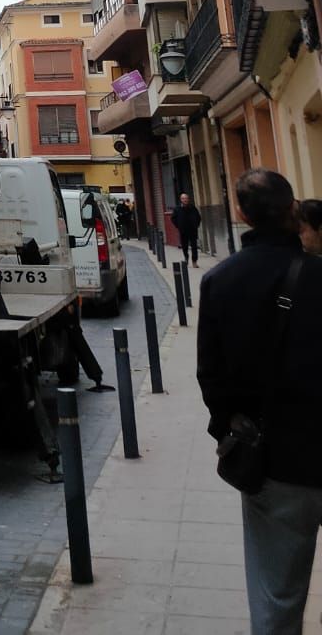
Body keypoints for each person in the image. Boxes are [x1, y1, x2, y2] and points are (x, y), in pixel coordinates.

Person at [197, 168, 322, 634]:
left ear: (240, 213)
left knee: (277, 599)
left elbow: (212, 375)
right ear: (293, 210)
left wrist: (230, 431)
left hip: (274, 462)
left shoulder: (220, 281)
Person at [171, 190, 203, 266]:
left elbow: (198, 217)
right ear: (181, 200)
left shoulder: (192, 208)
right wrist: (178, 226)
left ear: (188, 199)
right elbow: (173, 218)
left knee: (194, 246)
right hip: (183, 231)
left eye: (186, 198)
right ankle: (186, 258)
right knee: (184, 246)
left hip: (192, 230)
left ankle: (194, 261)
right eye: (183, 198)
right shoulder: (177, 209)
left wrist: (196, 225)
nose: (185, 200)